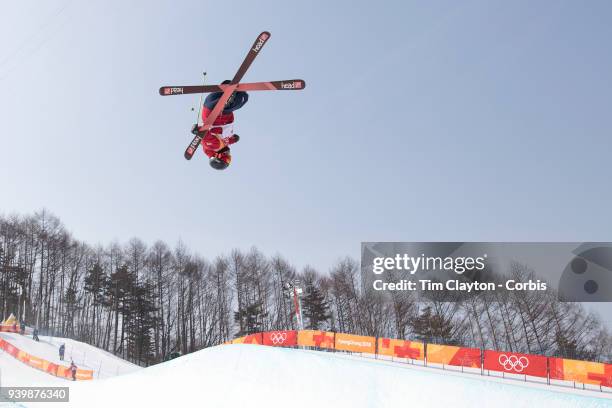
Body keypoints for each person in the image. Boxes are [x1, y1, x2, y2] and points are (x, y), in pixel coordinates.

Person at [192, 80, 248, 170]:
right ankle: (226, 88)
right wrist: (234, 139)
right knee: (242, 98)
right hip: (210, 104)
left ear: (219, 156)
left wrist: (198, 131)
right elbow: (228, 140)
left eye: (228, 159)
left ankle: (228, 98)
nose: (229, 156)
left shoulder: (215, 146)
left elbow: (206, 136)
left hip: (217, 112)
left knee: (242, 98)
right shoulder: (222, 144)